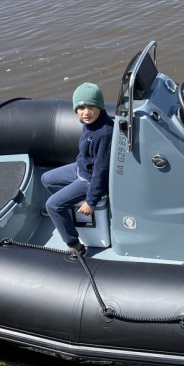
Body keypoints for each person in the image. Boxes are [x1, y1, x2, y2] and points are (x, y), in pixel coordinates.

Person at [42, 82, 113, 258]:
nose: (86, 112)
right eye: (81, 108)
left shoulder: (104, 133)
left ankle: (75, 245)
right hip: (82, 169)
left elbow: (101, 171)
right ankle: (66, 213)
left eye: (91, 107)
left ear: (100, 107)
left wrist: (91, 201)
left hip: (90, 179)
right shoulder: (89, 123)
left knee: (52, 205)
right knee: (46, 179)